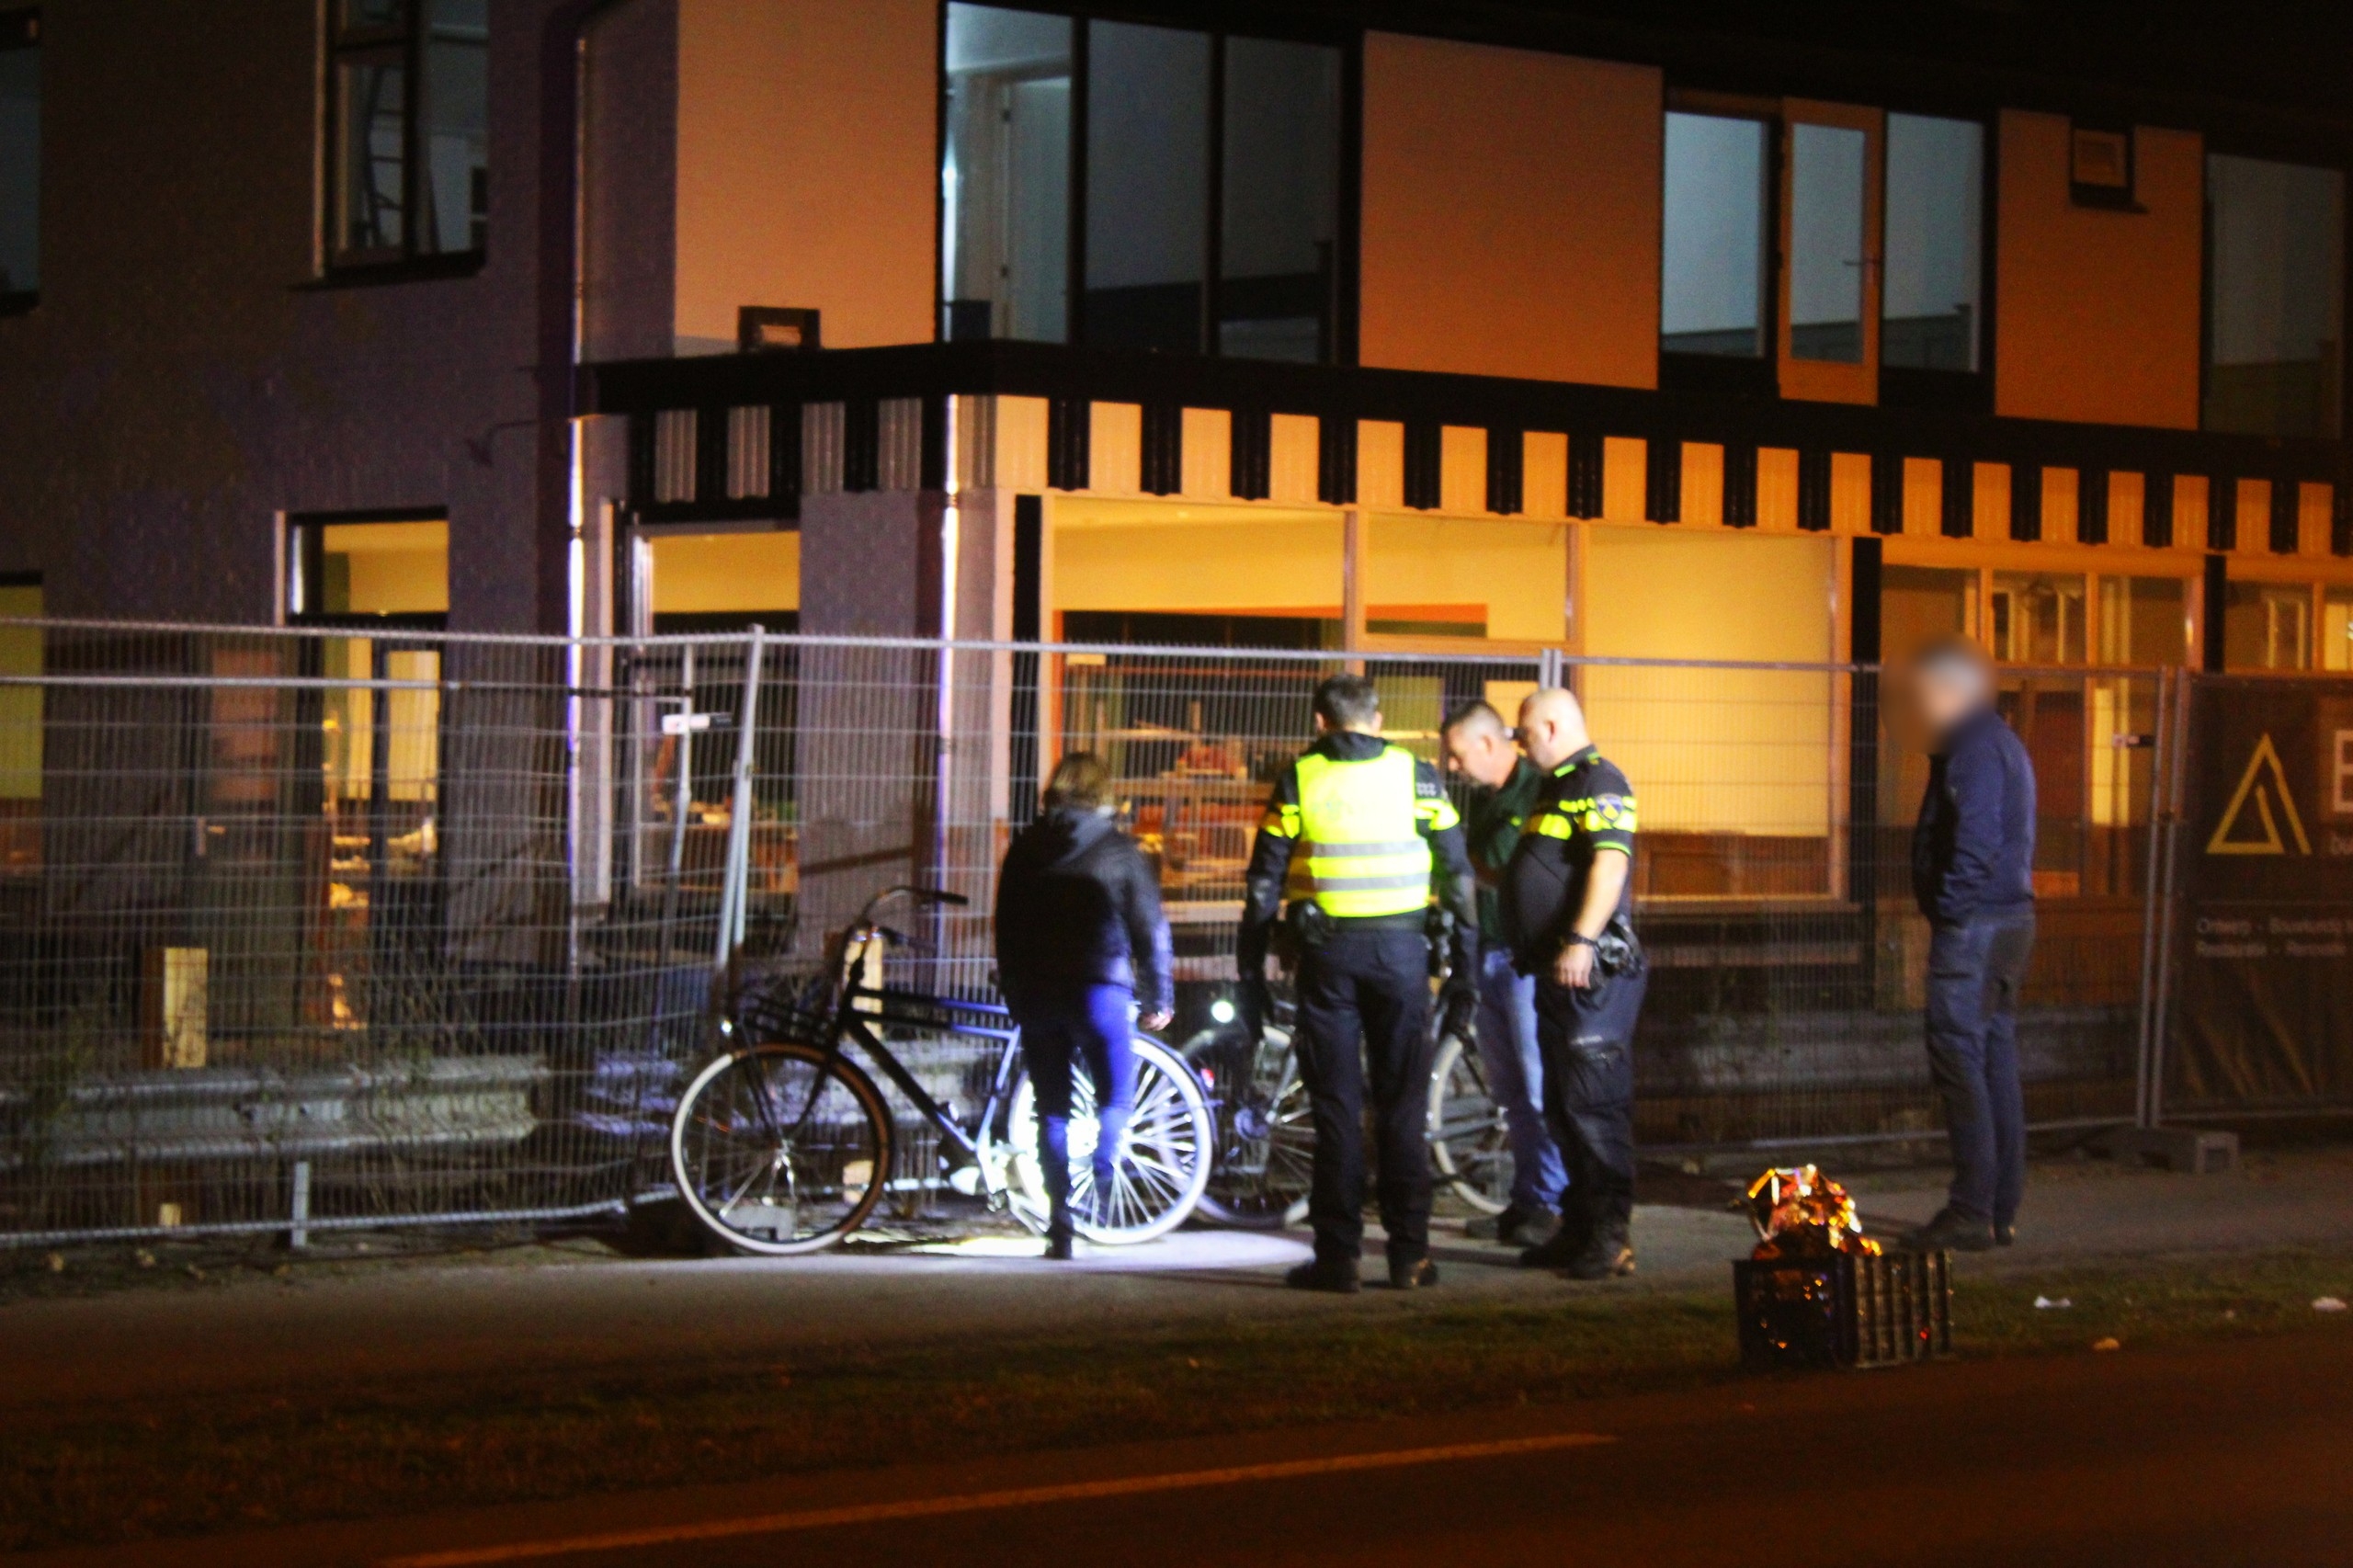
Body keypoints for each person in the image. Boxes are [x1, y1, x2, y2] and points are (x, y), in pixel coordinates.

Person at [1237, 674, 1478, 1292]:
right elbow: (1457, 869)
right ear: (1376, 720)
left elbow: (1263, 881)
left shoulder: (1301, 776)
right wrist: (1465, 965)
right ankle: (1410, 1258)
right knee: (1402, 1107)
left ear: (1321, 723)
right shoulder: (1415, 774)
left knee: (1337, 1109)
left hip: (1329, 957)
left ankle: (1339, 1258)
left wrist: (1251, 969)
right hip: (1402, 955)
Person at [995, 752, 1175, 1261]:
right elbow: (1149, 927)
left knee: (1051, 1111)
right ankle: (1104, 1160)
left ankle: (1060, 1226)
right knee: (1115, 1100)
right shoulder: (1120, 851)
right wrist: (1159, 995)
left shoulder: (1025, 849)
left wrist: (1013, 985)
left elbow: (1005, 922)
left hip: (1037, 992)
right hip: (1101, 991)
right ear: (1103, 793)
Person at [1498, 687, 1647, 1280]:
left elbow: (1610, 866)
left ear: (1555, 726)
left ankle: (1610, 1238)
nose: (1519, 742)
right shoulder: (1557, 786)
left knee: (1593, 1106)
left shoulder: (1600, 781)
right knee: (1565, 1107)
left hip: (1593, 975)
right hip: (1561, 973)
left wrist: (1581, 940)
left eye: (1525, 732)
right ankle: (1580, 1228)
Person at [1902, 636, 2037, 1253]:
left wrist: (1950, 910)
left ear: (1952, 690)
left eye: (1926, 694)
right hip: (2009, 923)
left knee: (1961, 1062)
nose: (1921, 707)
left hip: (1977, 927)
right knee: (1993, 1061)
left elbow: (1975, 843)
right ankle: (1998, 1208)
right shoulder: (2002, 743)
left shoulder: (1974, 750)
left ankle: (1971, 1208)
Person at [1438, 700, 1567, 1248]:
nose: (1452, 766)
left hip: (1522, 959)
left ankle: (1552, 1202)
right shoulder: (1491, 799)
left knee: (1536, 1088)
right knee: (1511, 1091)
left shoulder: (1531, 795)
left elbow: (1497, 870)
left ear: (1489, 745)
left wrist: (1448, 859)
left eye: (1457, 754)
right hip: (1491, 953)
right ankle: (1527, 1200)